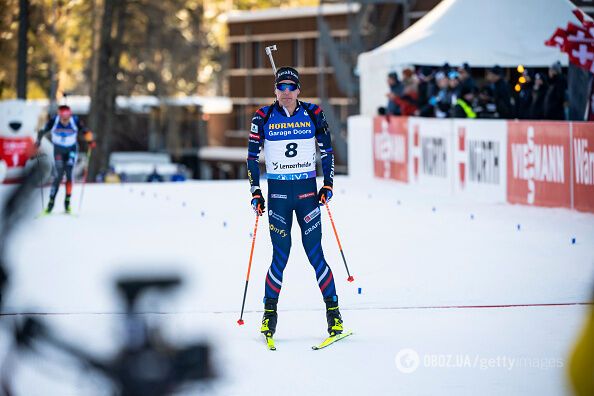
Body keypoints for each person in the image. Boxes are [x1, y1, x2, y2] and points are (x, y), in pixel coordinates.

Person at [246, 66, 344, 340]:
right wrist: (255, 191)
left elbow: (327, 150)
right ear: (275, 90)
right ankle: (269, 317)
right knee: (281, 256)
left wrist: (328, 184)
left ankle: (334, 315)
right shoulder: (262, 116)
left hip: (306, 196)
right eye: (282, 87)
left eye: (291, 87)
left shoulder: (313, 113)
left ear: (299, 89)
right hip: (277, 198)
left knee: (316, 256)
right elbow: (252, 157)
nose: (286, 92)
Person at [36, 105, 95, 214]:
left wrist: (90, 141)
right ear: (60, 116)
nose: (65, 121)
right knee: (58, 175)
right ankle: (50, 204)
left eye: (67, 118)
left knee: (69, 173)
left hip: (71, 150)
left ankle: (67, 203)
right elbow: (42, 131)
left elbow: (85, 131)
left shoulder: (75, 120)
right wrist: (38, 141)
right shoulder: (54, 120)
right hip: (58, 150)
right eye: (63, 118)